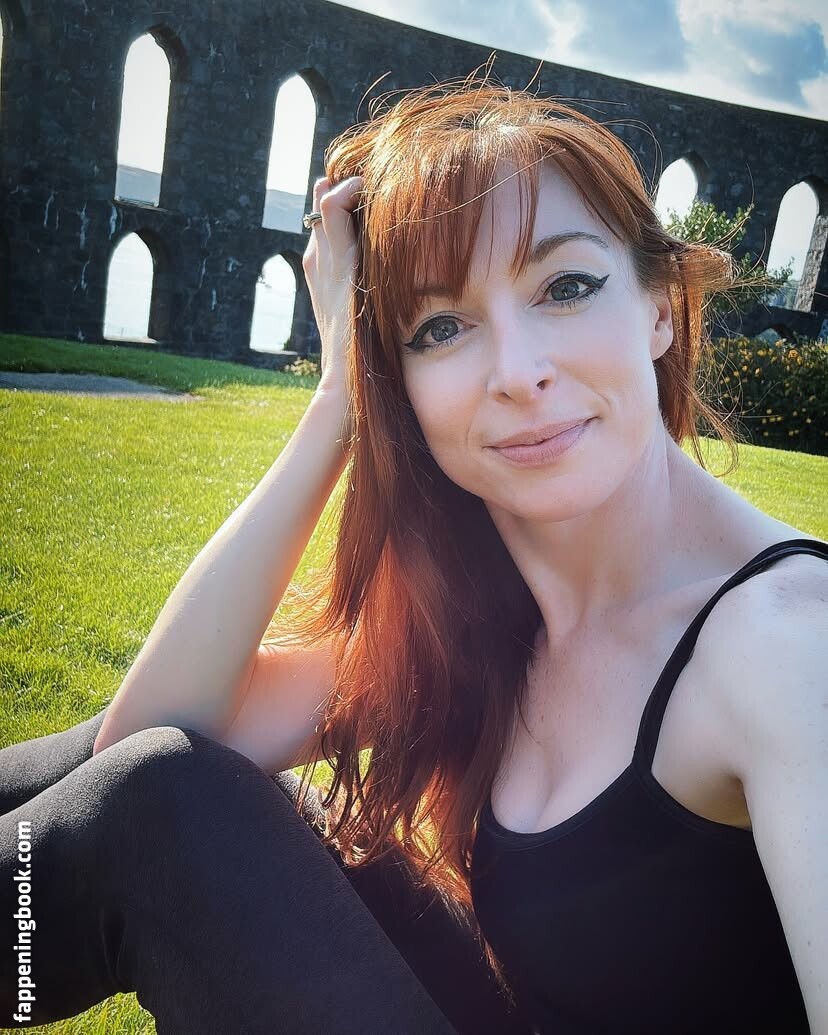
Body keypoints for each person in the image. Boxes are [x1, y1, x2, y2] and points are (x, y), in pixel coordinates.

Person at [2, 70, 826, 1034]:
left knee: (163, 808)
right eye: (441, 328)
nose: (518, 372)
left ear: (659, 308)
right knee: (164, 790)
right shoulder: (499, 599)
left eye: (566, 287)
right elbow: (152, 735)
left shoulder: (788, 647)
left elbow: (141, 803)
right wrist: (337, 403)